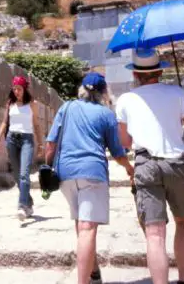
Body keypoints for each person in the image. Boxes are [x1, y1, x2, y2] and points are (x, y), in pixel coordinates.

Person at [116, 48, 184, 284]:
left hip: (145, 164)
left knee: (154, 234)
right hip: (175, 164)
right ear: (161, 70)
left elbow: (124, 142)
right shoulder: (177, 93)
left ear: (135, 74)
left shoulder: (125, 100)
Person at [45, 72, 134, 284]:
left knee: (81, 222)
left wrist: (47, 168)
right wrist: (130, 169)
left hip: (65, 174)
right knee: (87, 228)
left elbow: (50, 144)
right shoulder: (106, 114)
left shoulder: (66, 108)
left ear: (81, 89)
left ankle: (93, 273)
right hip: (92, 172)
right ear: (104, 93)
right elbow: (118, 152)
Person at [0, 76, 42, 221]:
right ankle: (29, 201)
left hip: (27, 139)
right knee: (16, 175)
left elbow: (36, 125)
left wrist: (40, 144)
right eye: (14, 89)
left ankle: (22, 206)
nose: (16, 92)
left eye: (19, 89)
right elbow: (4, 122)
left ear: (24, 89)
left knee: (24, 174)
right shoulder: (10, 103)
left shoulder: (32, 104)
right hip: (11, 140)